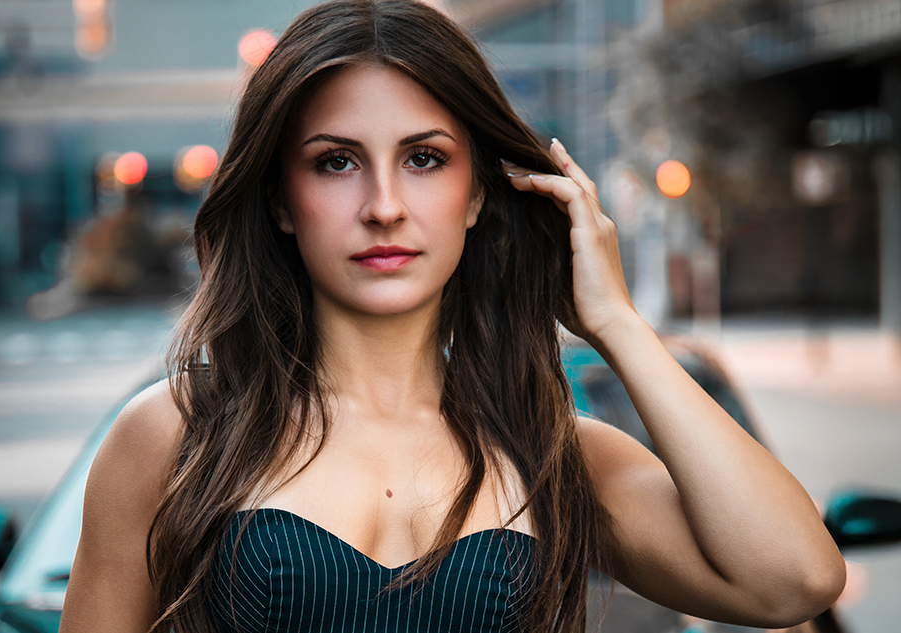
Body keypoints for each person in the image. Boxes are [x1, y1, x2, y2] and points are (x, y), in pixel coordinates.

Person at [58, 1, 846, 632]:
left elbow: (794, 579)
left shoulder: (547, 447)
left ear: (475, 194)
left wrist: (616, 322)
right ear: (279, 200)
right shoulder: (175, 434)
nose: (385, 207)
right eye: (337, 161)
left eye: (424, 158)